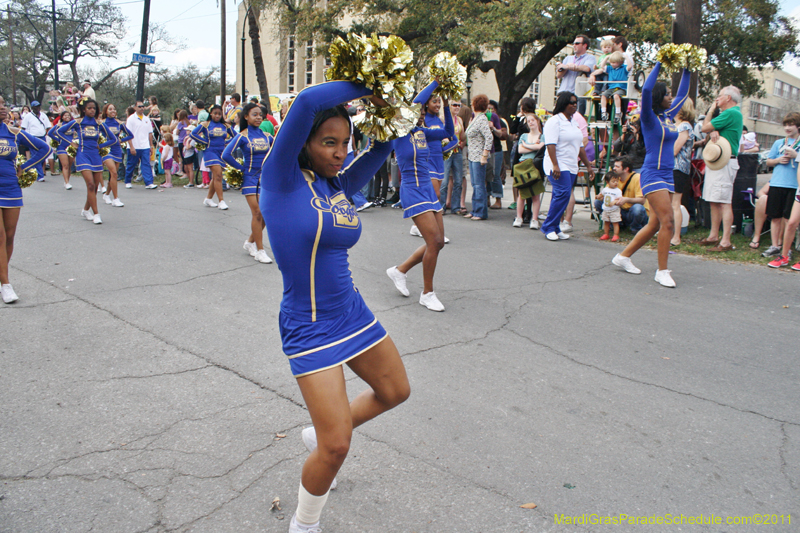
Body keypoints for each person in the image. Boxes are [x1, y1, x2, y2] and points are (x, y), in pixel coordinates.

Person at [258, 79, 408, 533]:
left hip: (353, 313)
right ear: (303, 142)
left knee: (395, 392)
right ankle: (304, 525)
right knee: (337, 446)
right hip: (309, 325)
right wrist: (373, 80)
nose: (341, 151)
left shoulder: (336, 185)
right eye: (329, 142)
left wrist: (409, 97)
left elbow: (385, 146)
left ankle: (315, 435)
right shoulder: (279, 178)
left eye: (345, 142)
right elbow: (306, 101)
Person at [611, 62, 691, 287]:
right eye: (667, 94)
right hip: (652, 173)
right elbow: (645, 90)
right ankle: (662, 271)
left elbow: (683, 94)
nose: (671, 97)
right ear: (659, 97)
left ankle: (623, 256)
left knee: (656, 224)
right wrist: (661, 62)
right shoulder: (647, 116)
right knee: (668, 222)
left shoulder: (668, 116)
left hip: (667, 174)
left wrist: (688, 68)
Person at [386, 81, 453, 312]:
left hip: (427, 189)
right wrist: (437, 80)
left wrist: (445, 103)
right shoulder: (399, 131)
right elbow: (415, 103)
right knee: (434, 241)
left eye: (423, 111)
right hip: (412, 190)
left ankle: (400, 270)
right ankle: (427, 293)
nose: (422, 113)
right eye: (419, 110)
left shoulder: (422, 132)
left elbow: (448, 133)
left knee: (438, 243)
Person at [0, 95, 52, 303]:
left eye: (2, 104)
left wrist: (25, 168)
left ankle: (1, 276)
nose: (2, 108)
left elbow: (45, 149)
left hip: (11, 188)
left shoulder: (13, 133)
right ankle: (6, 284)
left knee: (10, 237)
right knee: (0, 237)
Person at [222, 102, 273, 264]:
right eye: (254, 114)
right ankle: (260, 250)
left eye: (260, 114)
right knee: (257, 213)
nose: (258, 117)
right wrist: (242, 168)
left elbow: (277, 153)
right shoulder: (242, 136)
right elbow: (226, 154)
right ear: (246, 117)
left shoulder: (267, 136)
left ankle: (250, 242)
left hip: (265, 179)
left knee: (266, 214)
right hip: (250, 179)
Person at [540, 91, 595, 241]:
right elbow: (550, 144)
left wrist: (588, 166)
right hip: (557, 163)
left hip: (571, 164)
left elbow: (580, 147)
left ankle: (556, 228)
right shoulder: (554, 121)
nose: (574, 105)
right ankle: (548, 226)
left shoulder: (573, 122)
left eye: (576, 102)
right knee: (563, 193)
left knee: (561, 196)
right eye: (571, 102)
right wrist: (555, 165)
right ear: (563, 103)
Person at [56, 98, 116, 225]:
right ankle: (97, 214)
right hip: (82, 155)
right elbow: (59, 132)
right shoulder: (78, 123)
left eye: (94, 108)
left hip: (96, 156)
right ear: (83, 109)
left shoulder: (99, 124)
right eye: (89, 108)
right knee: (90, 185)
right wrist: (71, 143)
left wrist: (101, 146)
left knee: (94, 188)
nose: (92, 110)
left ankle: (85, 209)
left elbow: (113, 139)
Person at [699, 85, 744, 251]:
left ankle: (725, 240)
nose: (717, 99)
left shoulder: (731, 113)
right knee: (714, 199)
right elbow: (711, 130)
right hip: (718, 160)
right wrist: (714, 131)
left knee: (724, 201)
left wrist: (711, 112)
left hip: (725, 162)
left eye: (720, 96)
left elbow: (704, 127)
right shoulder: (730, 115)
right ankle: (713, 235)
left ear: (728, 98)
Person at [762, 112, 800, 262]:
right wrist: (778, 159)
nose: (787, 128)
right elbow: (768, 162)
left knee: (788, 218)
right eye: (785, 125)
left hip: (793, 185)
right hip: (778, 182)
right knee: (775, 216)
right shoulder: (778, 143)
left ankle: (786, 248)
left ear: (798, 126)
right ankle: (774, 245)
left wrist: (795, 156)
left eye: (791, 125)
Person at [190, 105, 233, 210]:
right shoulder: (206, 124)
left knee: (216, 177)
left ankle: (208, 199)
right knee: (218, 175)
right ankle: (221, 201)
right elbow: (193, 134)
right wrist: (205, 142)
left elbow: (236, 136)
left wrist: (227, 142)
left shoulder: (225, 126)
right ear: (211, 114)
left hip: (221, 152)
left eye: (219, 113)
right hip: (210, 151)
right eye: (215, 113)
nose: (217, 116)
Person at [671, 99, 696, 246]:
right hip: (671, 167)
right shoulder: (674, 125)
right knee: (669, 203)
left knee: (675, 203)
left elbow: (675, 149)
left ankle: (676, 236)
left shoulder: (684, 126)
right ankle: (668, 231)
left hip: (678, 168)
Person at [513, 113, 544, 229]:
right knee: (522, 193)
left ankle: (534, 219)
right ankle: (519, 217)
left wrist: (527, 145)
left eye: (532, 120)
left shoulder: (542, 136)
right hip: (523, 165)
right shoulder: (524, 136)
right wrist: (532, 146)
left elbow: (541, 147)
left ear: (537, 121)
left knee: (535, 194)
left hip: (535, 165)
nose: (530, 122)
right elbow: (520, 150)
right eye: (528, 121)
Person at [464, 94, 493, 220]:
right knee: (475, 184)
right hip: (473, 155)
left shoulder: (481, 119)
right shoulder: (475, 118)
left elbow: (489, 137)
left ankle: (480, 211)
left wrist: (484, 155)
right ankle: (475, 209)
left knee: (479, 184)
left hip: (479, 156)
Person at [100, 103, 133, 207]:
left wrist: (121, 140)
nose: (113, 111)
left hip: (117, 150)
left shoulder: (119, 124)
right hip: (106, 150)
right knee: (114, 173)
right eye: (110, 109)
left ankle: (106, 194)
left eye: (114, 109)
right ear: (106, 111)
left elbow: (131, 135)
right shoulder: (102, 123)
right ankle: (116, 199)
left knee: (113, 175)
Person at [555, 35, 596, 116]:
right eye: (573, 43)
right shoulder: (568, 58)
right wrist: (565, 67)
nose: (574, 45)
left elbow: (587, 68)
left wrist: (572, 67)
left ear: (585, 45)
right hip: (563, 92)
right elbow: (559, 75)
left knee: (577, 117)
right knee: (559, 116)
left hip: (578, 95)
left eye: (577, 43)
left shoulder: (590, 58)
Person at [590, 51, 630, 124]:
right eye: (611, 62)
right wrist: (607, 57)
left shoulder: (623, 68)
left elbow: (629, 67)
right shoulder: (610, 68)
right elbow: (602, 66)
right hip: (611, 88)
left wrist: (626, 57)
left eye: (614, 62)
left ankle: (618, 113)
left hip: (621, 88)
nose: (612, 64)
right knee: (603, 96)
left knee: (616, 96)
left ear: (620, 62)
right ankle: (603, 112)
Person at [124, 101, 157, 189]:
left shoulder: (146, 119)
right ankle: (127, 181)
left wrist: (151, 146)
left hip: (145, 146)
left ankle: (149, 182)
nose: (142, 108)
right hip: (134, 145)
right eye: (139, 106)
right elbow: (128, 134)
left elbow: (150, 133)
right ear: (135, 108)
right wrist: (131, 146)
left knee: (146, 164)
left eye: (143, 106)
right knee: (131, 164)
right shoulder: (131, 119)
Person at [19, 100, 52, 182]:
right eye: (35, 106)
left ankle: (30, 169)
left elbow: (48, 126)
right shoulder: (28, 116)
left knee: (42, 156)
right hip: (32, 138)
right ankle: (40, 176)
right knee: (35, 156)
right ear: (32, 108)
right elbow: (23, 128)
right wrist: (23, 140)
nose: (37, 108)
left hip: (42, 137)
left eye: (38, 106)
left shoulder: (43, 115)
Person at [486, 100, 508, 209]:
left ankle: (498, 199)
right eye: (488, 108)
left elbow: (504, 135)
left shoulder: (499, 121)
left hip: (497, 150)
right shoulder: (482, 119)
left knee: (495, 174)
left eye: (492, 109)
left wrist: (494, 128)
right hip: (485, 149)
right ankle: (487, 197)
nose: (490, 111)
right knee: (487, 175)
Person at [51, 110, 76, 189]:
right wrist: (58, 140)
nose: (67, 117)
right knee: (65, 165)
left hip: (71, 147)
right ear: (62, 117)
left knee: (69, 165)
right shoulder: (60, 125)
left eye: (68, 115)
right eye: (65, 115)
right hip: (62, 147)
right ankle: (67, 182)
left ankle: (67, 181)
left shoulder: (72, 125)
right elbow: (50, 133)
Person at [597, 172, 622, 241]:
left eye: (617, 181)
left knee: (615, 222)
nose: (616, 183)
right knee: (606, 222)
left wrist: (614, 202)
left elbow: (619, 199)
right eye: (613, 181)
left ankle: (616, 235)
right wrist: (598, 196)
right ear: (608, 182)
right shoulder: (605, 189)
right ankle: (606, 234)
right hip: (606, 209)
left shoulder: (618, 191)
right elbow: (601, 194)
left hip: (614, 209)